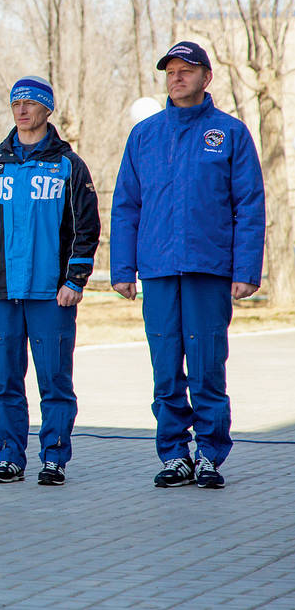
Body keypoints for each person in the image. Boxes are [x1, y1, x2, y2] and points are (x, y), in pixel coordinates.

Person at [111, 41, 265, 489]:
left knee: (206, 362)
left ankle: (210, 454)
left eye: (187, 70)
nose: (177, 77)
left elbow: (249, 206)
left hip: (208, 267)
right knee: (165, 366)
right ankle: (175, 454)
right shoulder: (145, 135)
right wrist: (123, 269)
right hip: (158, 269)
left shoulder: (229, 133)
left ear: (206, 78)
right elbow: (126, 206)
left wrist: (245, 269)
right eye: (171, 71)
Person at [0, 76, 100, 486]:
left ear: (47, 110)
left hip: (50, 295)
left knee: (54, 381)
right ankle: (9, 457)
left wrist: (75, 279)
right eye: (16, 103)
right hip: (1, 293)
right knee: (4, 381)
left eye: (30, 103)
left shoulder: (68, 166)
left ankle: (54, 458)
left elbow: (86, 227)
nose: (22, 110)